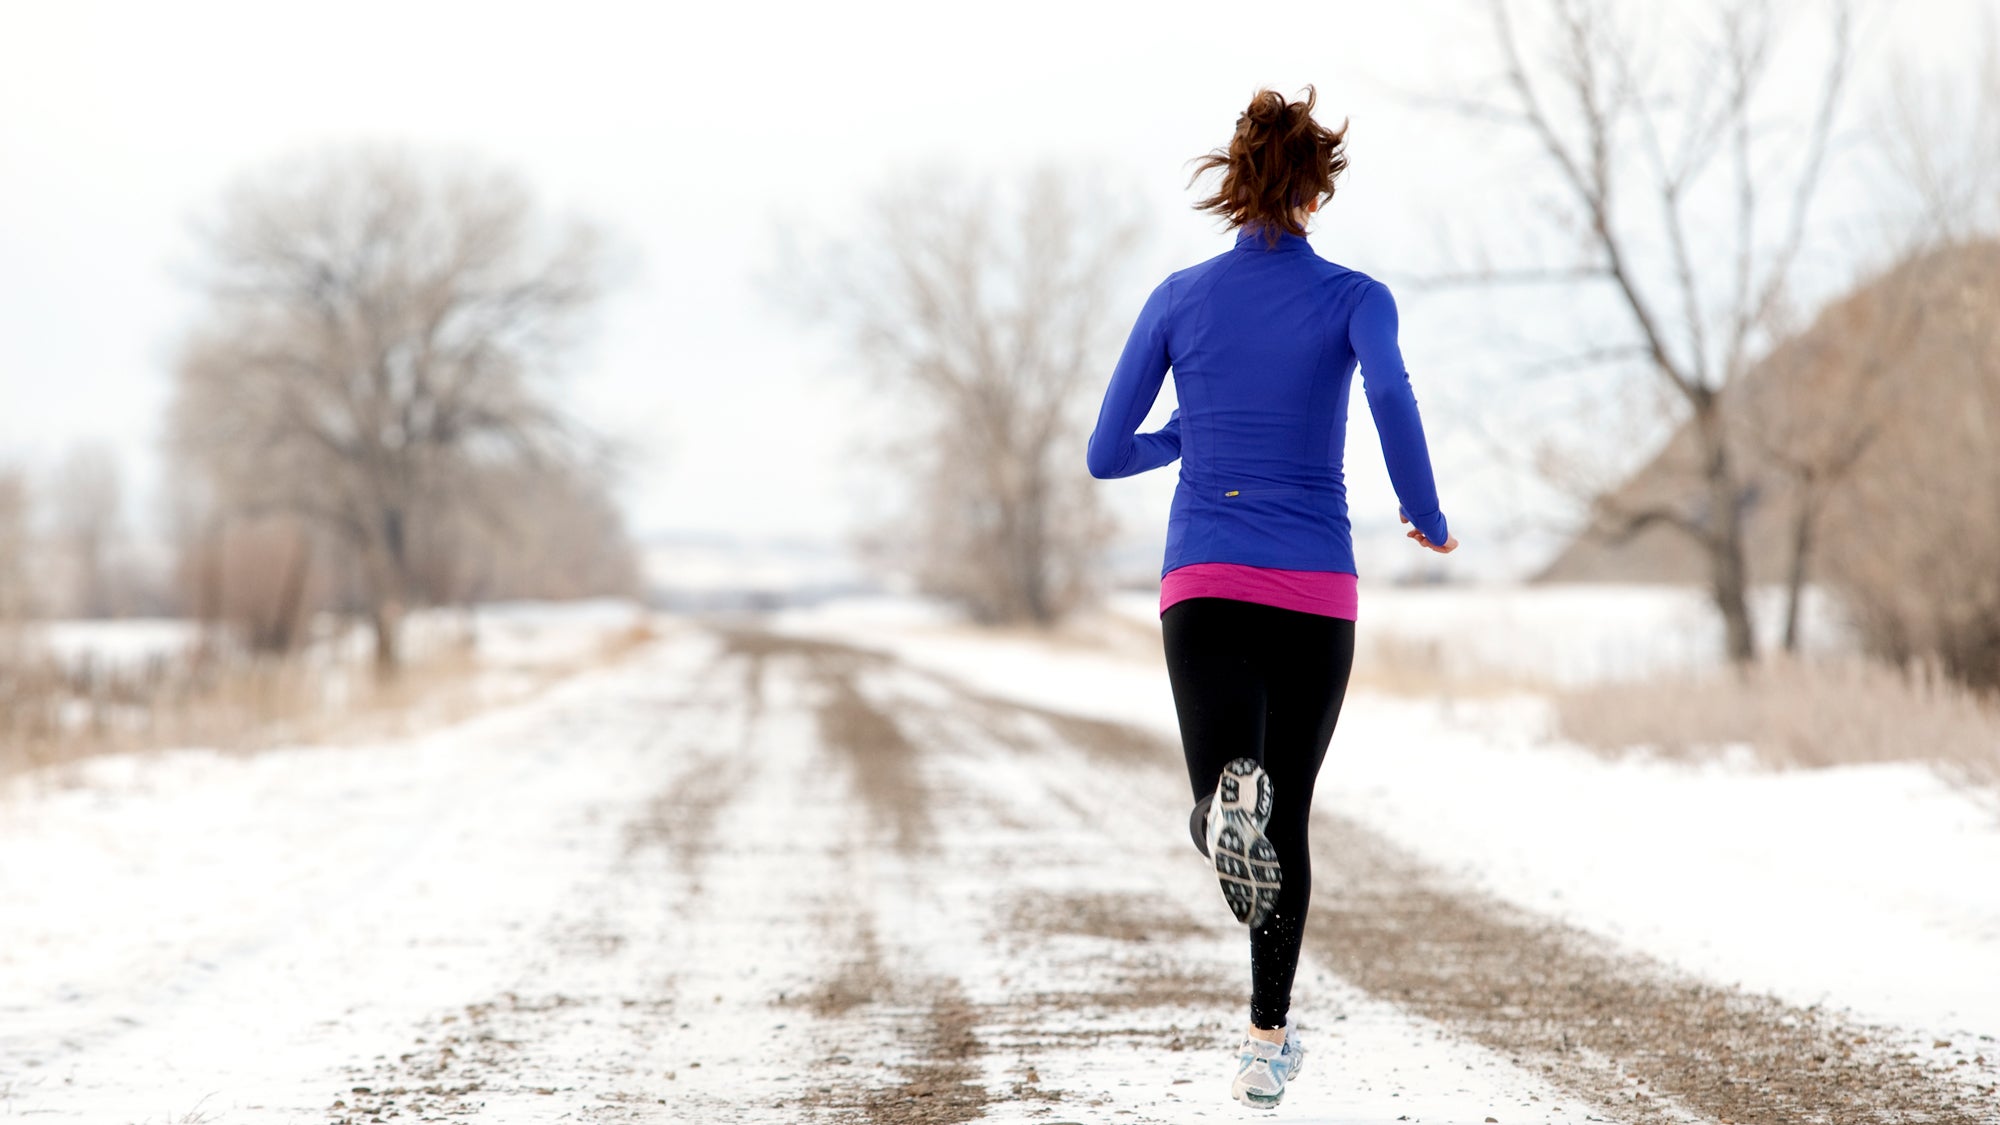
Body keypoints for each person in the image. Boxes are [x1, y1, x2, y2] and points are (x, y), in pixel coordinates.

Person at [1085, 86, 1458, 1110]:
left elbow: (1104, 452)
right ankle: (1263, 1042)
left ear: (1235, 185)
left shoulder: (1176, 297)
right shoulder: (1355, 297)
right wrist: (1419, 509)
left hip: (1203, 581)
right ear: (1314, 188)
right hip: (1314, 589)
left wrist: (1188, 437)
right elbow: (1386, 391)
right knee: (1285, 817)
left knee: (1230, 803)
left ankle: (1213, 817)